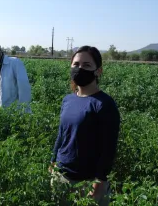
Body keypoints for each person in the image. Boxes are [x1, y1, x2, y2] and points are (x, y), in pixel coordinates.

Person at [49, 46, 120, 205]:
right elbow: (61, 135)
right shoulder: (68, 99)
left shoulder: (104, 104)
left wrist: (98, 183)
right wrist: (52, 162)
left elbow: (108, 150)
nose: (79, 69)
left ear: (98, 71)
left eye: (86, 65)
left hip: (87, 182)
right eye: (76, 64)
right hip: (61, 176)